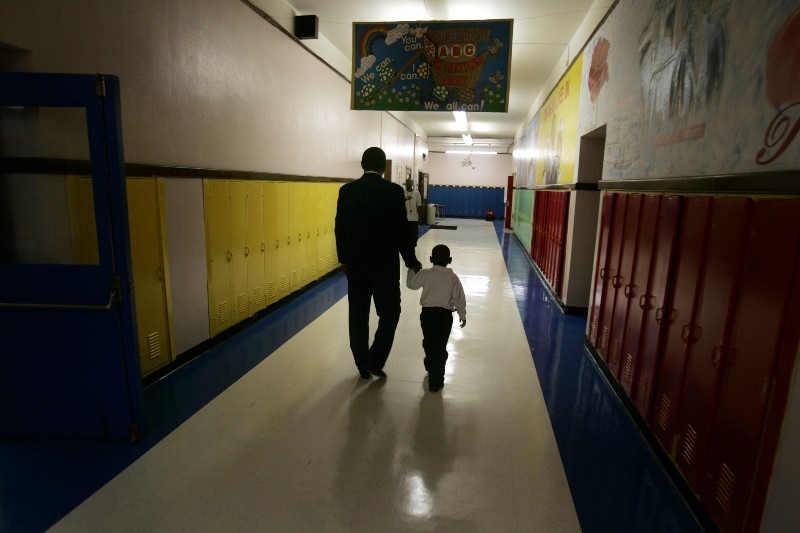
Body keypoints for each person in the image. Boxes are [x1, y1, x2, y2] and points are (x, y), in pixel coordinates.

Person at [335, 147, 422, 379]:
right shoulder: (393, 192)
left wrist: (343, 259)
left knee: (358, 314)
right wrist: (411, 260)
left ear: (362, 165)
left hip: (356, 266)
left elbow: (340, 228)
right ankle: (375, 359)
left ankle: (362, 362)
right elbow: (401, 231)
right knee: (391, 312)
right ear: (384, 167)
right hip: (385, 266)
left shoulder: (347, 191)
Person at [406, 244, 466, 392]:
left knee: (429, 342)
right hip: (445, 318)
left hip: (427, 316)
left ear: (431, 259)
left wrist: (412, 270)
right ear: (450, 260)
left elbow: (411, 284)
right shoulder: (453, 278)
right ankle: (437, 379)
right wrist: (462, 314)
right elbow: (459, 298)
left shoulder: (425, 274)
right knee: (440, 346)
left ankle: (431, 366)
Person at [404, 178, 423, 246]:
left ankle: (413, 244)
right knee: (406, 235)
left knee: (414, 235)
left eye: (410, 182)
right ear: (406, 183)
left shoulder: (416, 193)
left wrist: (420, 218)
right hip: (405, 218)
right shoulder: (403, 192)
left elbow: (419, 206)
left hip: (414, 218)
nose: (409, 183)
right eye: (408, 182)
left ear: (412, 184)